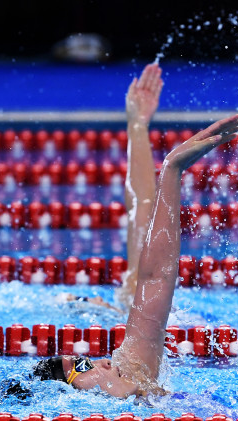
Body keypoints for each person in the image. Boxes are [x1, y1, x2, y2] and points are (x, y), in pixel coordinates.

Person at [5, 114, 238, 399]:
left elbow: (155, 276)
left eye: (86, 360)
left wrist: (171, 168)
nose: (106, 360)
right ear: (61, 394)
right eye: (83, 364)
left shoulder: (135, 378)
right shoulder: (128, 394)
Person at [55, 63, 163, 312]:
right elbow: (143, 209)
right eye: (88, 301)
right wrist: (137, 126)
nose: (98, 299)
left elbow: (143, 208)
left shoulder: (135, 304)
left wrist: (137, 125)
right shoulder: (139, 307)